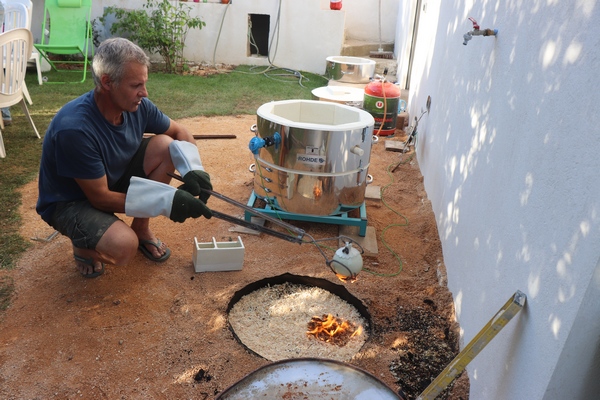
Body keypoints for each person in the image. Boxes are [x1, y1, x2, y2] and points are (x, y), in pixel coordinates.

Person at [36, 37, 213, 278]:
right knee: (124, 247)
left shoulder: (139, 106)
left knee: (166, 145)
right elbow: (101, 199)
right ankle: (84, 245)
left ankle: (141, 228)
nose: (144, 93)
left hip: (109, 180)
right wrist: (167, 201)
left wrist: (193, 168)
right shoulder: (75, 129)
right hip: (71, 202)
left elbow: (179, 131)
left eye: (144, 83)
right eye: (136, 85)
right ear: (107, 82)